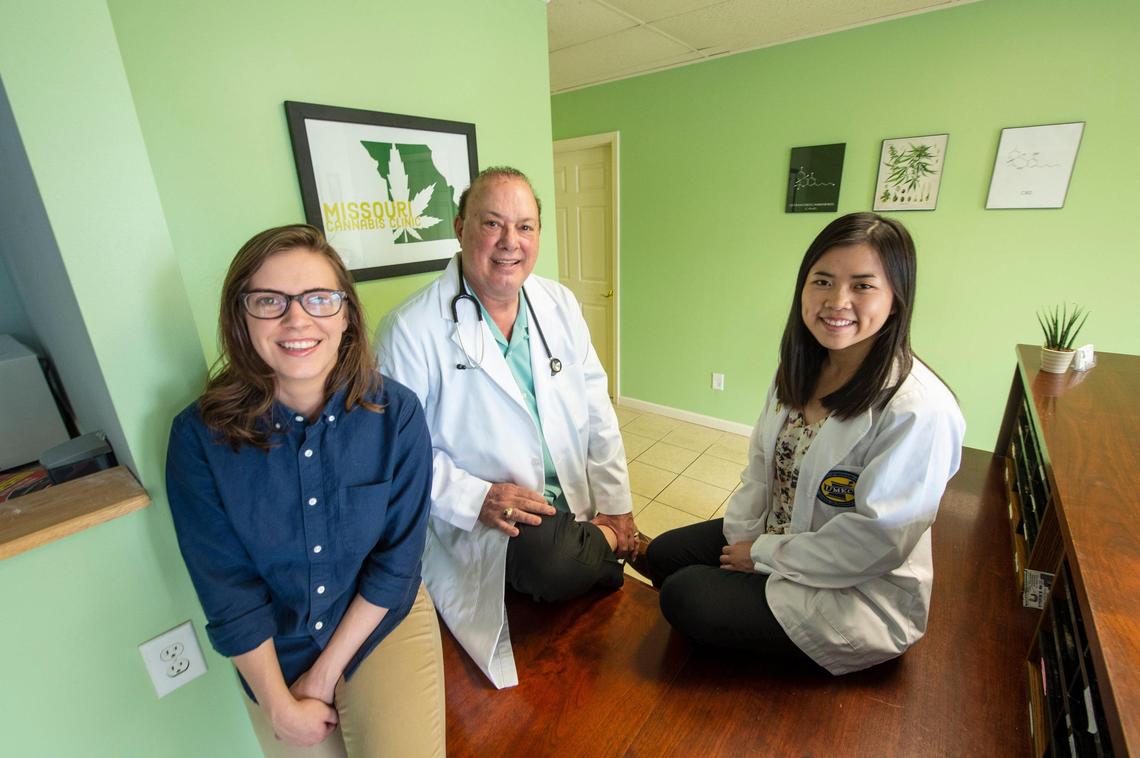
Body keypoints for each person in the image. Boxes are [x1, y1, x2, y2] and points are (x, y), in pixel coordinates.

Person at [644, 212, 965, 675]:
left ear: (896, 299)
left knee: (684, 596)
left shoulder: (917, 409)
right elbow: (760, 467)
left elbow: (873, 544)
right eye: (823, 281)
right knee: (663, 556)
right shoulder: (800, 368)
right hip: (781, 533)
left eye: (863, 285)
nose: (837, 301)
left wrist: (761, 556)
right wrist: (743, 537)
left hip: (856, 590)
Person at [165, 225, 445, 756]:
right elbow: (227, 588)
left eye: (319, 299)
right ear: (241, 319)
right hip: (271, 650)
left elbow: (396, 563)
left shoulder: (398, 415)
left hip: (377, 623)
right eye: (270, 301)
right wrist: (278, 703)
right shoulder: (199, 438)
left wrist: (322, 678)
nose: (297, 319)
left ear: (346, 315)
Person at [377, 166, 640, 688]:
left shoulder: (558, 304)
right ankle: (611, 545)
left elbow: (596, 412)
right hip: (494, 518)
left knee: (589, 577)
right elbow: (397, 459)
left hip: (569, 500)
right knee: (553, 562)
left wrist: (618, 502)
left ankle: (606, 538)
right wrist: (478, 498)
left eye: (525, 226)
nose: (509, 243)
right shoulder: (410, 330)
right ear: (459, 227)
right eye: (492, 224)